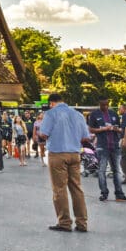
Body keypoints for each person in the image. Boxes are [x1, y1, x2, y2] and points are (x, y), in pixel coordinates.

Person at [36, 92, 90, 232]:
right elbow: (85, 137)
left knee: (59, 189)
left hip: (58, 154)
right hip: (75, 153)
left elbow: (44, 134)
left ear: (51, 103)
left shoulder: (51, 114)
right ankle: (82, 222)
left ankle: (64, 222)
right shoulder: (77, 114)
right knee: (77, 188)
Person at [87, 98, 126, 202]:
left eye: (107, 105)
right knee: (102, 170)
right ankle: (104, 192)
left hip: (114, 145)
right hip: (102, 146)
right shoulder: (94, 115)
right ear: (99, 104)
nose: (105, 107)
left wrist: (116, 129)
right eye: (103, 105)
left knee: (117, 171)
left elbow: (121, 129)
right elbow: (91, 129)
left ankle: (119, 194)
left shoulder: (113, 114)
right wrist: (103, 129)